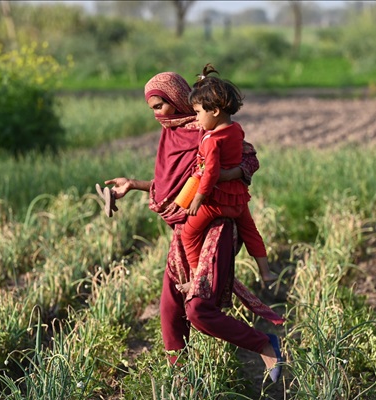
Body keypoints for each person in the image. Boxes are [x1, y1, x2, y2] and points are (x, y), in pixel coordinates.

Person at [102, 71, 285, 382]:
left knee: (199, 310)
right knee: (170, 309)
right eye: (152, 108)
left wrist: (229, 175)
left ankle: (265, 345)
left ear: (176, 100)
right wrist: (132, 185)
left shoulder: (206, 128)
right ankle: (181, 378)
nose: (156, 114)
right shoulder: (171, 135)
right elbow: (173, 185)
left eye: (159, 105)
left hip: (216, 224)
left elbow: (248, 159)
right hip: (186, 226)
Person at [176, 64, 275, 294]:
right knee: (250, 231)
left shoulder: (211, 140)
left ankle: (196, 277)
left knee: (189, 234)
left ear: (215, 111)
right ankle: (266, 271)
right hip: (238, 199)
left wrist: (198, 199)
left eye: (199, 112)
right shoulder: (236, 130)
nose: (197, 118)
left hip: (217, 202)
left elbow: (210, 172)